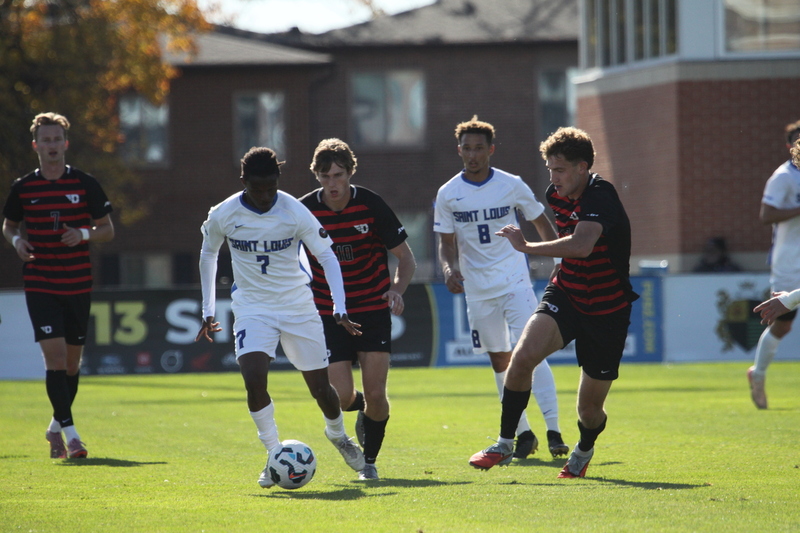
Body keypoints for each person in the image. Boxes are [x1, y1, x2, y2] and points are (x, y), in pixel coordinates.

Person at [468, 126, 638, 478]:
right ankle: (504, 443)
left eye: (559, 170)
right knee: (522, 358)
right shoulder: (556, 194)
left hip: (608, 308)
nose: (553, 178)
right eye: (550, 169)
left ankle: (584, 449)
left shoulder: (600, 195)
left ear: (582, 168)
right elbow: (570, 250)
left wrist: (527, 247)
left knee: (589, 411)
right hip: (567, 293)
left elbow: (580, 245)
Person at [194, 146, 365, 488]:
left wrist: (339, 305)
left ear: (278, 180)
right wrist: (208, 310)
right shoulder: (223, 214)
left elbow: (327, 257)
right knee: (254, 378)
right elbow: (208, 254)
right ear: (244, 181)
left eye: (272, 187)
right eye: (258, 189)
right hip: (253, 308)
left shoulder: (294, 210)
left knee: (321, 388)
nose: (266, 196)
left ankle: (338, 435)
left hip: (298, 307)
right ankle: (274, 456)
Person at [434, 116, 568, 460]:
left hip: (514, 282)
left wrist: (560, 263)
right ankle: (523, 433)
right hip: (478, 291)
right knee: (499, 360)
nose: (473, 154)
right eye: (467, 148)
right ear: (459, 150)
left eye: (480, 148)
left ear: (491, 150)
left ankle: (554, 431)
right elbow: (446, 243)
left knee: (531, 354)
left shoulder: (511, 184)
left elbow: (541, 223)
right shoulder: (448, 193)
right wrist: (449, 269)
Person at [299, 138, 416, 481]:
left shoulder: (371, 204)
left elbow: (406, 258)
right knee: (342, 396)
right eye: (324, 176)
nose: (332, 184)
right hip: (328, 313)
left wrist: (396, 290)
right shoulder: (304, 211)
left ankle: (369, 462)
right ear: (316, 177)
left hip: (372, 309)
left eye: (338, 175)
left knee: (378, 396)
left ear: (350, 172)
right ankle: (361, 408)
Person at [2, 112, 115, 459]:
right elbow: (8, 225)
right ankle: (72, 435)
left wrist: (82, 234)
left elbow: (107, 229)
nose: (51, 146)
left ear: (65, 144)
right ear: (36, 145)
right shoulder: (24, 187)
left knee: (71, 365)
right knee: (53, 359)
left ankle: (53, 428)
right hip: (40, 281)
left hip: (78, 281)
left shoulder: (84, 184)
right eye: (45, 140)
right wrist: (16, 241)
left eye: (56, 140)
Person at [748, 125, 800, 410]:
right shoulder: (783, 177)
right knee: (783, 326)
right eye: (797, 142)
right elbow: (766, 215)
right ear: (789, 146)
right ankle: (759, 374)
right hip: (789, 262)